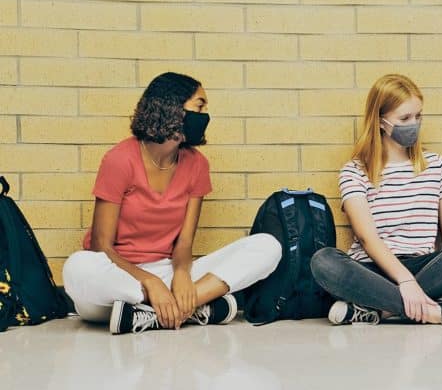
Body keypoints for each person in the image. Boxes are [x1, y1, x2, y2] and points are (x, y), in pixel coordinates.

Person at [63, 72, 282, 334]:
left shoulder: (197, 164)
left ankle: (155, 314)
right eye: (199, 106)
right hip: (119, 278)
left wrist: (180, 274)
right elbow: (101, 246)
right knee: (77, 267)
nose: (204, 115)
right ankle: (193, 308)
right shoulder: (119, 160)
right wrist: (150, 283)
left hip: (167, 273)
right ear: (172, 107)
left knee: (267, 246)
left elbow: (185, 242)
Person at [310, 74, 442, 326]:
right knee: (323, 261)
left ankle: (380, 310)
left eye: (418, 116)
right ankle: (436, 312)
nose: (414, 124)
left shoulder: (437, 166)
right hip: (373, 271)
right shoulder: (354, 171)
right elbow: (368, 239)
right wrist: (405, 282)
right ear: (381, 121)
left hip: (424, 267)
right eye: (405, 118)